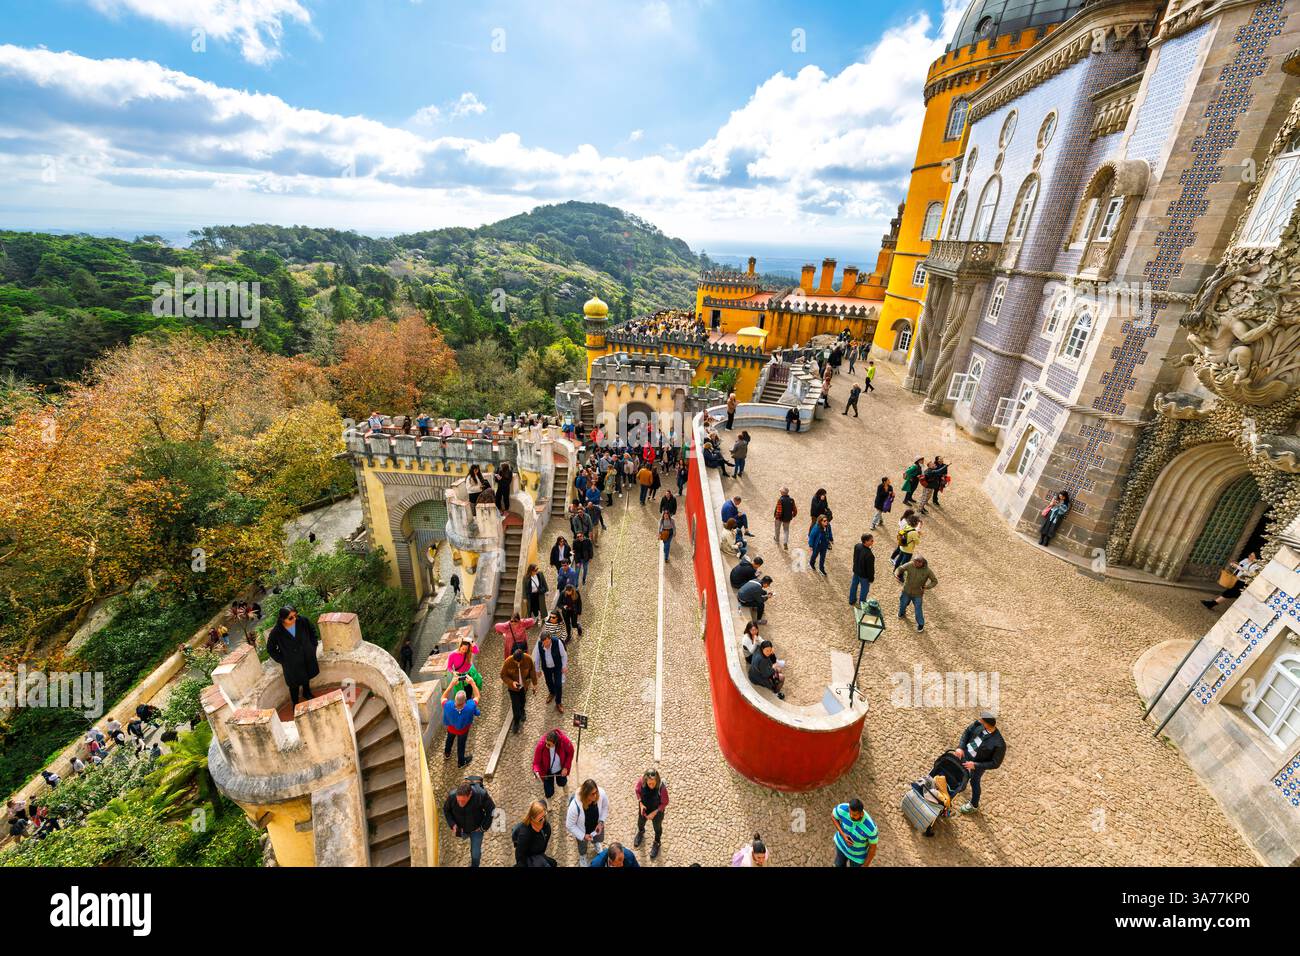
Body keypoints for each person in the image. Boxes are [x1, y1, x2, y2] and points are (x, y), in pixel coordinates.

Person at [955, 711, 1007, 814]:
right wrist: (960, 748)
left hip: (977, 766)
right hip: (965, 754)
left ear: (987, 724)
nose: (979, 721)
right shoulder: (978, 724)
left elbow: (995, 763)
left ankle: (974, 805)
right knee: (957, 771)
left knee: (974, 782)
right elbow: (967, 732)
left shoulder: (1000, 744)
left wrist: (975, 765)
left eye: (982, 721)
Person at [266, 606, 319, 706]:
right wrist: (283, 660)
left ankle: (307, 693)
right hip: (291, 663)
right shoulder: (277, 632)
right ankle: (295, 703)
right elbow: (270, 648)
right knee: (293, 685)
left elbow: (313, 631)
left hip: (306, 656)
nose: (295, 619)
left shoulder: (303, 621)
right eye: (291, 618)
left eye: (295, 615)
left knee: (306, 676)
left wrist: (313, 645)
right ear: (282, 619)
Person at [442, 779, 496, 868]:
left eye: (463, 801)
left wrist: (483, 827)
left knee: (475, 854)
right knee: (464, 837)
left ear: (470, 794)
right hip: (462, 829)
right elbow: (446, 810)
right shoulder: (452, 796)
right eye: (458, 800)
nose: (460, 804)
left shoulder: (481, 795)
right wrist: (452, 824)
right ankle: (466, 836)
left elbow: (492, 810)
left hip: (477, 830)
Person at [566, 778, 610, 866]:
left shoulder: (601, 794)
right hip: (582, 830)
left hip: (596, 826)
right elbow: (570, 825)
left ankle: (596, 844)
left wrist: (601, 822)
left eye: (596, 792)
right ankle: (582, 856)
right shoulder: (574, 806)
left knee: (597, 838)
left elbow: (605, 807)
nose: (596, 795)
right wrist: (583, 836)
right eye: (592, 794)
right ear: (585, 795)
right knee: (582, 846)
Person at [500, 644, 538, 734]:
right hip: (513, 688)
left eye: (519, 662)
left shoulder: (528, 659)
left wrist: (535, 684)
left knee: (523, 700)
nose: (517, 664)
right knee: (515, 704)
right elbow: (503, 675)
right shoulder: (508, 662)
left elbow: (532, 671)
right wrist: (511, 682)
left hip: (524, 686)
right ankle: (516, 721)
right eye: (516, 662)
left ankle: (522, 711)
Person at [441, 682, 480, 768]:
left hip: (451, 728)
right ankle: (461, 762)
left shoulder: (448, 705)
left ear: (455, 699)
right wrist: (472, 683)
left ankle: (447, 754)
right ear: (465, 700)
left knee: (449, 740)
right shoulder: (470, 706)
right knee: (461, 745)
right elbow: (477, 696)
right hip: (463, 730)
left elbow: (443, 697)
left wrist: (451, 684)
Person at [832, 798, 878, 867]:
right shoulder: (842, 808)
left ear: (861, 814)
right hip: (841, 847)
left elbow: (872, 849)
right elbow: (833, 816)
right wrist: (843, 834)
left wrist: (865, 865)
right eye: (850, 813)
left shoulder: (871, 828)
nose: (851, 816)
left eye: (854, 815)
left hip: (857, 858)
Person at [896, 555, 938, 632]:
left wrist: (926, 587)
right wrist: (898, 574)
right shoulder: (910, 564)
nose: (914, 564)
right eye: (914, 562)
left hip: (918, 594)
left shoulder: (927, 571)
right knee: (903, 604)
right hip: (906, 591)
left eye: (916, 563)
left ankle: (921, 624)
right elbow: (901, 568)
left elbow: (935, 581)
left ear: (921, 563)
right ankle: (901, 613)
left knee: (918, 609)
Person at [633, 769, 668, 859]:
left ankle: (657, 842)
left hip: (657, 812)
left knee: (657, 828)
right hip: (644, 808)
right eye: (649, 784)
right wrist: (640, 803)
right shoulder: (642, 782)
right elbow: (637, 791)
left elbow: (665, 802)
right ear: (646, 781)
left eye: (653, 783)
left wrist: (655, 812)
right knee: (640, 822)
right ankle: (641, 831)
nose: (651, 786)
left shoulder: (662, 788)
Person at [533, 629, 568, 714]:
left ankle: (558, 702)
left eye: (548, 642)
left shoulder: (557, 642)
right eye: (544, 643)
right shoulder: (539, 645)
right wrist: (537, 670)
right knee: (548, 682)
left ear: (550, 639)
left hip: (557, 666)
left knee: (558, 685)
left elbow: (564, 655)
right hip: (546, 667)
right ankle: (552, 692)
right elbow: (537, 658)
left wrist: (564, 666)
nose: (546, 644)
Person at [513, 800, 556, 867]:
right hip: (528, 860)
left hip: (538, 856)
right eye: (540, 819)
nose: (544, 820)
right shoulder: (525, 833)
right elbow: (520, 856)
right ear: (532, 819)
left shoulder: (546, 827)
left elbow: (543, 847)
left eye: (544, 816)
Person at [532, 729, 574, 799]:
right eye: (546, 743)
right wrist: (536, 771)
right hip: (546, 771)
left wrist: (566, 767)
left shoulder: (564, 742)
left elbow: (570, 752)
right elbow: (536, 762)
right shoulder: (541, 745)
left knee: (562, 781)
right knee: (548, 789)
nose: (546, 745)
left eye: (549, 744)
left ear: (555, 743)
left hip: (560, 768)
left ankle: (564, 786)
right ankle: (548, 800)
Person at [850, 533, 875, 607]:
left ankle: (851, 600)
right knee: (864, 590)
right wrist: (871, 578)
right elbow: (870, 569)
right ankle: (862, 604)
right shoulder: (869, 555)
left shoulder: (857, 546)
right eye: (871, 540)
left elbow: (854, 557)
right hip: (864, 576)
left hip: (856, 571)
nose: (873, 542)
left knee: (854, 585)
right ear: (866, 541)